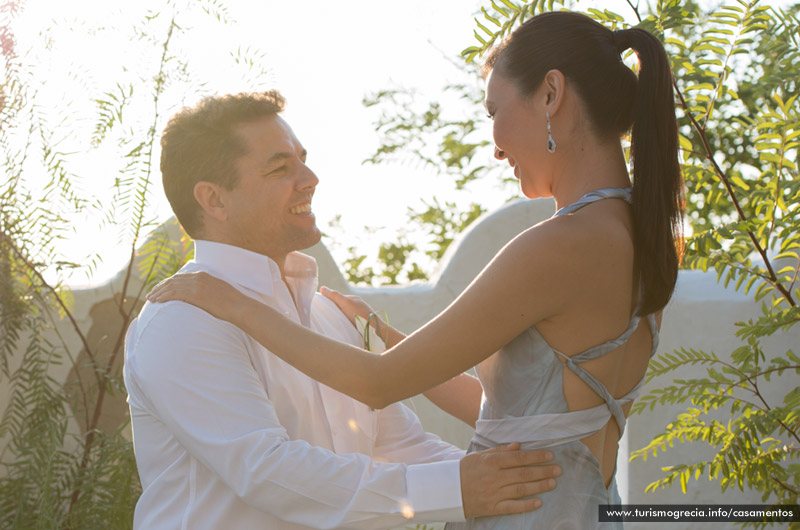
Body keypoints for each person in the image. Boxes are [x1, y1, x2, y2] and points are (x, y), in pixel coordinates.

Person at [148, 11, 684, 529]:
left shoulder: (559, 245)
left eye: (494, 111)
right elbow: (515, 416)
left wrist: (233, 303)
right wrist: (382, 335)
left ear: (550, 94)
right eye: (280, 166)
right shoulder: (643, 240)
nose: (496, 145)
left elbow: (376, 384)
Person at [123, 90, 561, 529]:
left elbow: (400, 446)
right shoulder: (182, 318)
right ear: (214, 200)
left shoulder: (331, 316)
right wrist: (457, 488)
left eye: (302, 159)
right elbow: (267, 472)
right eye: (280, 167)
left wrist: (528, 482)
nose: (310, 178)